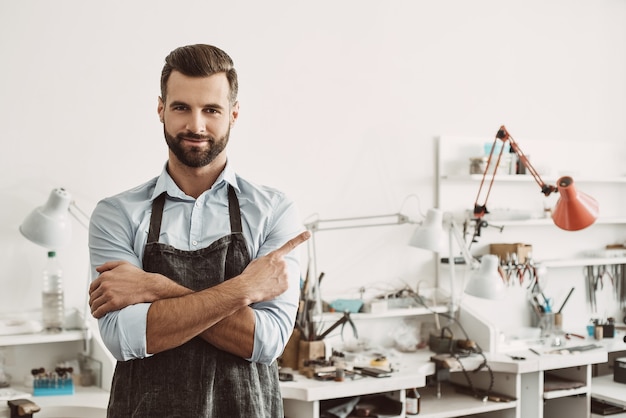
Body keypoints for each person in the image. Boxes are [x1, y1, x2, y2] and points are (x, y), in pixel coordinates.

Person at [88, 44, 310, 417]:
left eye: (211, 110)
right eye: (181, 108)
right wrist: (244, 290)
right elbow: (126, 338)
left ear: (233, 115)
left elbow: (265, 342)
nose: (195, 125)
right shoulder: (116, 214)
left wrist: (155, 288)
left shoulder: (274, 211)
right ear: (160, 109)